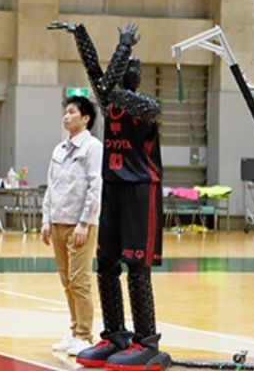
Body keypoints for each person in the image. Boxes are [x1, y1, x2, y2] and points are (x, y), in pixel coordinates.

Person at [50, 22, 172, 371]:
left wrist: (122, 47)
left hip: (139, 192)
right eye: (125, 62)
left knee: (136, 267)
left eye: (132, 64)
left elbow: (103, 86)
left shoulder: (147, 106)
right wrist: (82, 36)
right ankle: (116, 333)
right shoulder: (110, 101)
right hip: (113, 188)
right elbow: (98, 79)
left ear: (138, 76)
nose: (127, 68)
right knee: (105, 264)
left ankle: (146, 340)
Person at [40, 95, 103, 357]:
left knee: (80, 281)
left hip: (80, 225)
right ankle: (74, 328)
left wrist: (84, 222)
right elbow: (50, 187)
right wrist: (46, 220)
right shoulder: (59, 149)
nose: (66, 117)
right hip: (57, 222)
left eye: (71, 112)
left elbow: (95, 186)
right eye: (65, 113)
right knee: (67, 281)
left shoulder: (93, 147)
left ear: (85, 118)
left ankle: (84, 336)